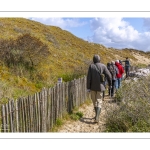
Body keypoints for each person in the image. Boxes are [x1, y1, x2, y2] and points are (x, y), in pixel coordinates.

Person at [87, 54, 112, 123]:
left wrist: (88, 87)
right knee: (99, 102)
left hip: (92, 87)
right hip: (100, 87)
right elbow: (109, 76)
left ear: (93, 60)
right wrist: (110, 84)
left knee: (94, 102)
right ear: (99, 59)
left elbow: (88, 78)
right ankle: (97, 117)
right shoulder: (103, 66)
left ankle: (96, 116)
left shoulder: (91, 66)